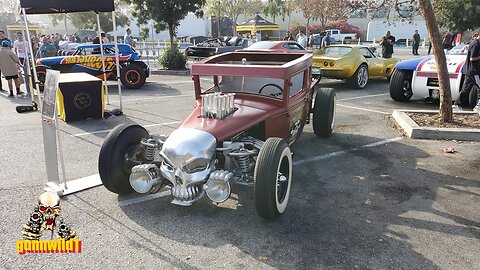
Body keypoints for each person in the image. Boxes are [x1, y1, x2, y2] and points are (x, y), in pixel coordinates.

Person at [455, 32, 480, 112]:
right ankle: (478, 106)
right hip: (473, 71)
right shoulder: (475, 44)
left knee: (465, 89)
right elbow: (472, 58)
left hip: (470, 71)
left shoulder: (477, 43)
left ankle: (457, 105)